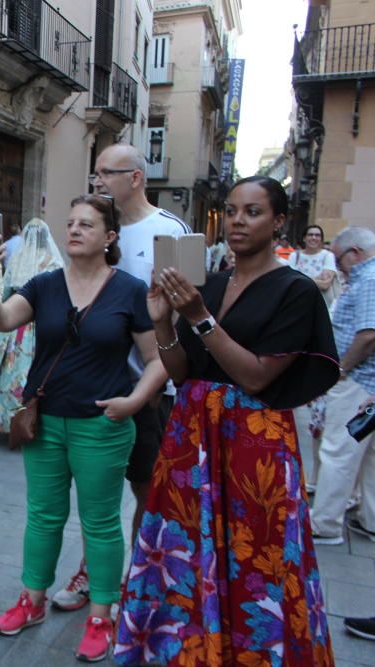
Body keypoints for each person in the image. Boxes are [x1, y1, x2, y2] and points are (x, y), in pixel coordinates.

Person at [115, 176, 339, 666]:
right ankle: (191, 652)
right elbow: (182, 372)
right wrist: (160, 322)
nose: (239, 221)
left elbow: (256, 376)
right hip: (192, 436)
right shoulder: (212, 284)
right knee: (189, 554)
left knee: (256, 558)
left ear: (279, 221)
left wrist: (199, 318)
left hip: (252, 445)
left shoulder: (294, 290)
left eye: (253, 212)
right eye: (233, 210)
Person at [0, 195, 165, 662]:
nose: (75, 230)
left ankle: (101, 615)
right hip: (44, 420)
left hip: (102, 424)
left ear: (110, 236)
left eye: (87, 224)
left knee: (100, 524)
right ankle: (32, 601)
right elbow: (0, 322)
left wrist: (135, 401)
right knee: (43, 516)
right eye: (70, 223)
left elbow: (157, 360)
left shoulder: (128, 291)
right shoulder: (44, 285)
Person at [52, 143, 185, 611]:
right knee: (96, 496)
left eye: (108, 173)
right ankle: (94, 573)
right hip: (93, 388)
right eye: (96, 174)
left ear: (136, 178)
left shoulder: (168, 231)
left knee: (147, 489)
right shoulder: (89, 226)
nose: (99, 181)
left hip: (151, 389)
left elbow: (192, 307)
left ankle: (139, 576)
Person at [311, 226, 375, 545]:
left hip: (357, 381)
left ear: (355, 253)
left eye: (338, 258)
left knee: (339, 451)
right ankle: (370, 519)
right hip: (367, 382)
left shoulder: (370, 278)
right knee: (368, 457)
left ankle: (325, 523)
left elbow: (368, 335)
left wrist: (341, 369)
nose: (336, 266)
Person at [0, 219, 63, 433]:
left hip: (15, 324)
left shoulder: (18, 260)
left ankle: (4, 416)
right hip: (43, 326)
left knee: (6, 371)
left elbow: (8, 296)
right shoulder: (54, 263)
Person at [286, 224, 338, 492]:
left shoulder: (327, 258)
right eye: (311, 235)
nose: (315, 238)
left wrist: (299, 280)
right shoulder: (294, 257)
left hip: (320, 319)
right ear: (304, 237)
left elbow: (326, 282)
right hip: (297, 320)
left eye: (319, 235)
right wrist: (310, 281)